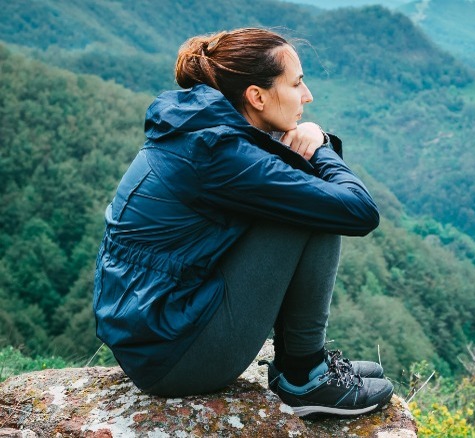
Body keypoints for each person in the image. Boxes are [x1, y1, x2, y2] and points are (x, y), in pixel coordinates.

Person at [92, 27, 393, 417]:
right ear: (256, 96)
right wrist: (319, 148)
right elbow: (358, 211)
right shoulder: (219, 153)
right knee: (308, 209)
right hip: (174, 356)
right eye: (297, 84)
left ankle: (301, 364)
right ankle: (305, 377)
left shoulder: (201, 128)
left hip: (154, 331)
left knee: (302, 198)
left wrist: (313, 141)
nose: (307, 96)